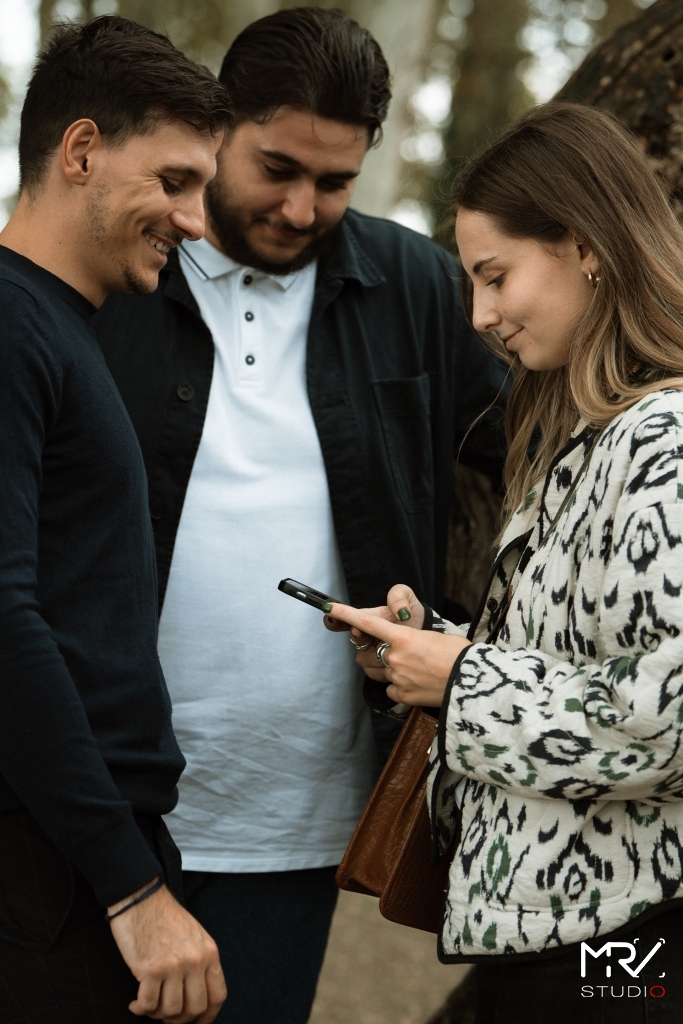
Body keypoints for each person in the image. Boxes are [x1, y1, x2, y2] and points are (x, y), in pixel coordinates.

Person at [93, 7, 507, 1022]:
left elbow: (549, 453)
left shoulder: (417, 286)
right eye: (275, 168)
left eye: (333, 182)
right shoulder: (111, 270)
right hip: (93, 800)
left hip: (292, 816)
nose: (298, 206)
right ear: (215, 128)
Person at [326, 102, 683, 1023]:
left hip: (623, 937)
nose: (481, 316)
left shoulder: (665, 443)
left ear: (584, 247)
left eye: (495, 277)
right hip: (552, 924)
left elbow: (667, 719)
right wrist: (430, 649)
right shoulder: (591, 432)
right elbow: (576, 659)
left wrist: (462, 680)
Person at [0, 16, 232, 1023]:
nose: (195, 221)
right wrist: (129, 887)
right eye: (174, 181)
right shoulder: (11, 324)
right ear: (82, 150)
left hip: (77, 858)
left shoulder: (60, 327)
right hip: (45, 875)